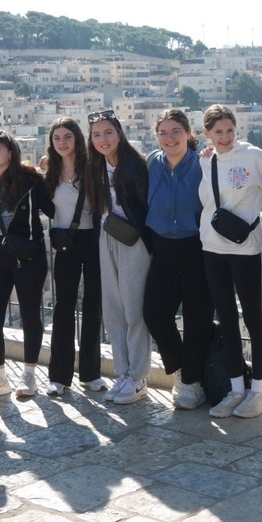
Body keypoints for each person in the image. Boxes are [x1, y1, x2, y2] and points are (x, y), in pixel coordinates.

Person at [198, 105, 262, 418]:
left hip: (244, 247)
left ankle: (258, 390)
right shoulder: (207, 160)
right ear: (207, 134)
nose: (226, 137)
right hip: (212, 246)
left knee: (253, 316)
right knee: (227, 317)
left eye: (230, 130)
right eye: (218, 132)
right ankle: (236, 388)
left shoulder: (254, 156)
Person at [0, 130, 54, 400]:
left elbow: (51, 208)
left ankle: (29, 375)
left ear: (11, 152)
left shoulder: (30, 180)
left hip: (29, 255)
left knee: (30, 316)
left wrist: (53, 172)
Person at [144, 109, 215, 409]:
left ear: (189, 134)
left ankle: (194, 383)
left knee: (198, 319)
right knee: (155, 314)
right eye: (163, 132)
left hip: (196, 247)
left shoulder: (204, 163)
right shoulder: (151, 163)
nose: (169, 138)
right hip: (161, 247)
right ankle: (182, 372)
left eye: (176, 131)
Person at [85, 109, 153, 405]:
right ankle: (123, 372)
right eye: (97, 134)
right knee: (112, 309)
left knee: (134, 308)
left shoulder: (135, 165)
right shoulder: (94, 167)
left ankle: (138, 376)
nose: (103, 139)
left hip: (133, 239)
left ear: (119, 134)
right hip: (106, 236)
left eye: (108, 132)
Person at [43, 117, 104, 396]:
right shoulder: (48, 171)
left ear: (77, 139)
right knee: (64, 308)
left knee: (93, 307)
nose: (62, 143)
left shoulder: (92, 169)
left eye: (67, 137)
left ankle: (91, 373)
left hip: (91, 239)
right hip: (64, 242)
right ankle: (58, 376)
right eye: (57, 138)